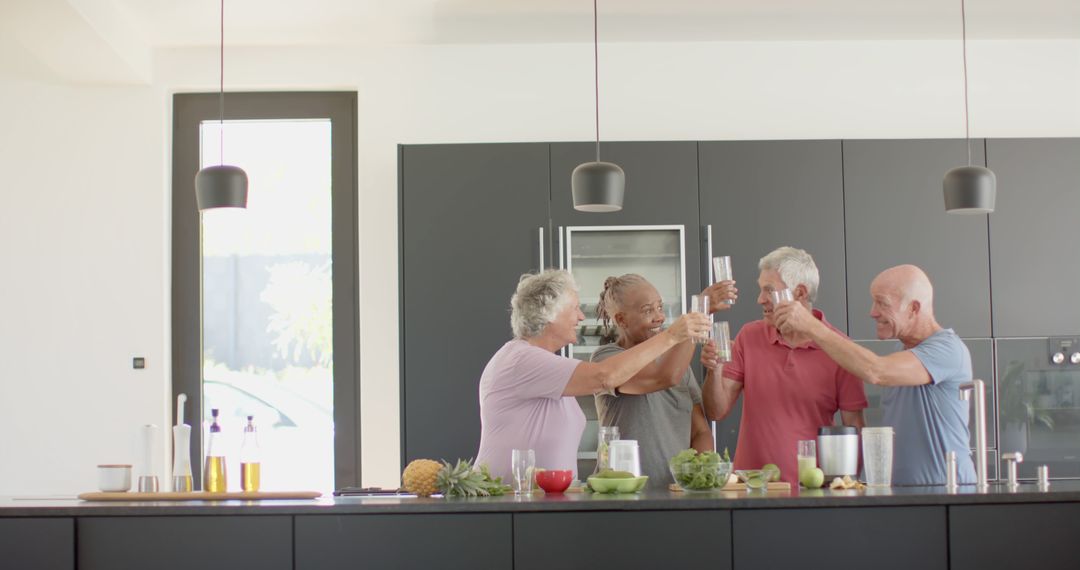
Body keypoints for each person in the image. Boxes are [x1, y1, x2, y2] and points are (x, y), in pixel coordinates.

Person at [475, 269, 711, 481]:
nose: (580, 316)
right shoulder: (522, 359)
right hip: (511, 498)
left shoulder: (547, 365)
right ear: (550, 314)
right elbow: (604, 377)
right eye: (574, 308)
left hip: (539, 501)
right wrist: (672, 336)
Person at [774, 264, 976, 485]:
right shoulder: (903, 353)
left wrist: (812, 326)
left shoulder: (947, 349)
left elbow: (876, 371)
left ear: (913, 308)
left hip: (946, 492)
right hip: (904, 494)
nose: (873, 312)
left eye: (882, 303)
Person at [700, 246, 867, 485]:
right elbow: (716, 411)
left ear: (799, 293)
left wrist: (846, 488)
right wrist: (714, 371)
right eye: (760, 290)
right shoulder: (750, 336)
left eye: (768, 290)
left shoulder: (840, 349)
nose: (760, 299)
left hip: (812, 492)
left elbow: (854, 428)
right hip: (750, 489)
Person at [590, 274, 716, 489]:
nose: (659, 317)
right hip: (623, 493)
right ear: (621, 320)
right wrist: (698, 315)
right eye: (648, 310)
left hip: (676, 492)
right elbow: (663, 377)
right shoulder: (607, 359)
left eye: (660, 307)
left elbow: (700, 431)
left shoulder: (677, 363)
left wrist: (698, 476)